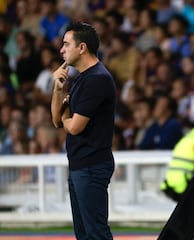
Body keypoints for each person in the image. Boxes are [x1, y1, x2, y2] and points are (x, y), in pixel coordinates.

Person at [51, 22, 115, 240]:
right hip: (81, 164)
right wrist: (58, 89)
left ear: (82, 47)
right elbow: (56, 121)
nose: (61, 50)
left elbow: (74, 126)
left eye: (66, 44)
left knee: (95, 233)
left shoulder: (97, 79)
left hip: (91, 165)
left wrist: (65, 116)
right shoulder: (82, 78)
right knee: (84, 234)